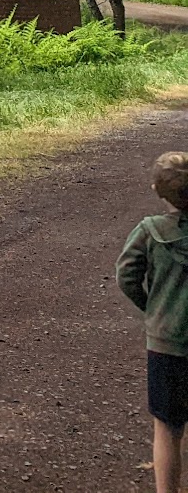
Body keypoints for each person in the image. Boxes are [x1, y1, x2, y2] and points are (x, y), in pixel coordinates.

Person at [121, 152, 188, 493]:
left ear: (158, 191)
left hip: (166, 344)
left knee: (167, 428)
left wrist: (151, 308)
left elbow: (126, 275)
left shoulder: (149, 231)